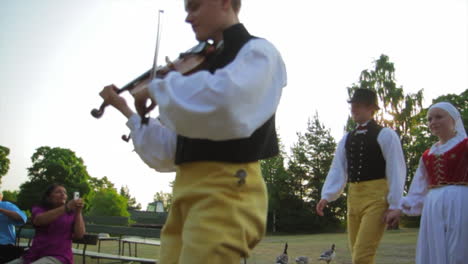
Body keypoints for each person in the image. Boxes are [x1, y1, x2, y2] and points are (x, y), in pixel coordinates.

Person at [98, 0, 287, 263]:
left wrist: (158, 87)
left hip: (228, 190)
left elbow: (226, 104)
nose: (188, 18)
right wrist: (125, 109)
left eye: (194, 6)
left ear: (224, 2)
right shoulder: (194, 78)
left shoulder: (258, 52)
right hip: (185, 194)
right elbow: (167, 152)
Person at [315, 88, 406, 264]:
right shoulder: (347, 138)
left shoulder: (386, 134)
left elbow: (396, 169)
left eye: (358, 106)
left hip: (377, 199)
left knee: (362, 255)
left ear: (371, 108)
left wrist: (395, 204)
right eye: (352, 106)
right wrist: (327, 196)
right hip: (354, 199)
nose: (353, 109)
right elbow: (338, 169)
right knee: (355, 250)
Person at [386, 102, 467, 264]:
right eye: (430, 119)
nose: (433, 122)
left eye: (439, 117)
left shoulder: (465, 146)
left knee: (459, 249)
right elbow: (419, 188)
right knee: (435, 248)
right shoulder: (428, 155)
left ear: (454, 119)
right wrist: (399, 208)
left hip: (462, 203)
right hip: (433, 206)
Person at [7, 184, 85, 264]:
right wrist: (66, 207)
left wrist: (78, 212)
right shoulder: (39, 209)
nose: (63, 194)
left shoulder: (71, 214)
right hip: (34, 254)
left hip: (59, 256)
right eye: (58, 192)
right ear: (48, 197)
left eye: (65, 193)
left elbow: (79, 235)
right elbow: (39, 221)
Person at [0, 190, 27, 263]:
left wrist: (1, 210)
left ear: (0, 197)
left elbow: (22, 218)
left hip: (4, 246)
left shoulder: (6, 205)